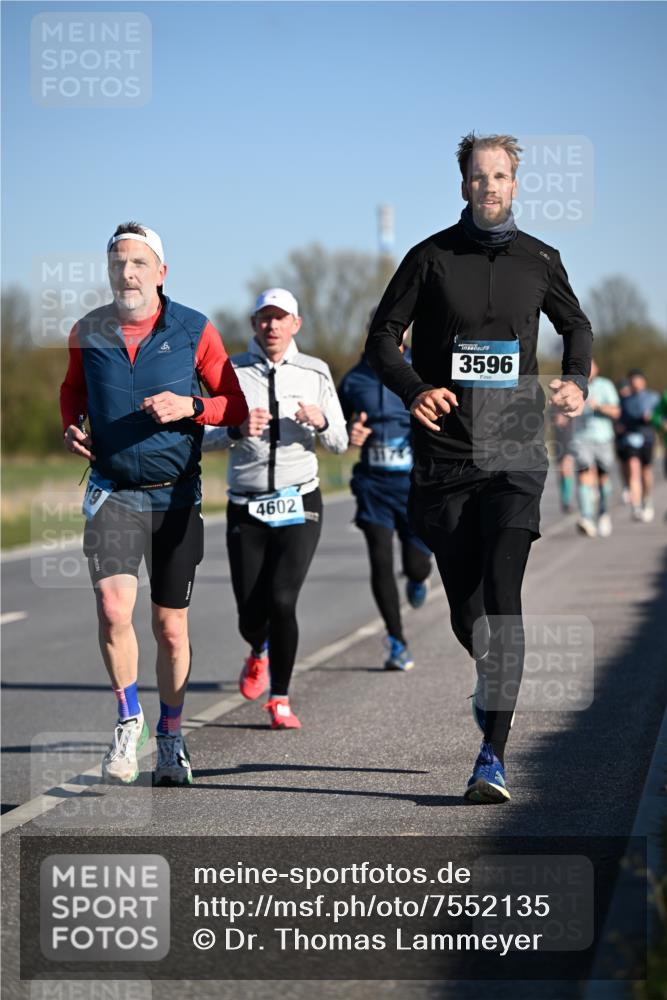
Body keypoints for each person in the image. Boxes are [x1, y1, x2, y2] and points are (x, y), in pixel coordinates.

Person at [366, 133, 592, 804]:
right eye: (477, 176)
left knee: (503, 600)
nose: (489, 186)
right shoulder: (429, 258)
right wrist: (413, 388)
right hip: (443, 453)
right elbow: (381, 338)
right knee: (469, 616)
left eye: (500, 176)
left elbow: (573, 325)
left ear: (514, 185)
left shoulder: (539, 259)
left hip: (516, 442)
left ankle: (491, 754)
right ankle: (493, 685)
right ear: (462, 185)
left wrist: (574, 379)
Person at [60, 222, 248, 786]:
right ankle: (128, 721)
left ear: (161, 272)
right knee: (113, 610)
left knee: (169, 628)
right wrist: (70, 424)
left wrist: (191, 405)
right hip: (112, 491)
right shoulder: (88, 331)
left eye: (139, 263)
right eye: (118, 263)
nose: (127, 273)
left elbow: (233, 405)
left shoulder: (195, 329)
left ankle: (171, 734)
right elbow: (73, 389)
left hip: (175, 498)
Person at [203, 288, 348, 728]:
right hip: (246, 505)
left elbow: (340, 441)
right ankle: (258, 649)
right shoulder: (230, 370)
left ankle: (280, 699)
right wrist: (235, 429)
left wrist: (320, 421)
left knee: (283, 600)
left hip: (299, 499)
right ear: (253, 324)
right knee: (250, 610)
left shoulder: (315, 371)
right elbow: (202, 437)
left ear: (295, 324)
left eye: (280, 318)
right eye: (264, 318)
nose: (272, 326)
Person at [338, 318, 432, 671]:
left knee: (416, 564)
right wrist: (350, 433)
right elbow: (336, 428)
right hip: (373, 485)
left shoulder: (420, 373)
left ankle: (420, 576)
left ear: (404, 334)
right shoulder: (353, 379)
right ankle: (396, 641)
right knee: (379, 559)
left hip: (413, 485)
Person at [570, 359, 620, 538]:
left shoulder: (605, 385)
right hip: (581, 438)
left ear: (596, 369)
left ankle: (604, 513)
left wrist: (598, 406)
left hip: (602, 438)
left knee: (603, 477)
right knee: (583, 474)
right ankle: (587, 518)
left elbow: (616, 411)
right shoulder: (574, 386)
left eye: (591, 367)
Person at [617, 369, 660, 522]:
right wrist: (619, 425)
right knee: (633, 469)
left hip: (648, 438)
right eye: (632, 383)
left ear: (643, 382)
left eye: (637, 382)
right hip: (630, 439)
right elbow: (619, 417)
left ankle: (647, 500)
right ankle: (636, 507)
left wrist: (652, 417)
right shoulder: (624, 400)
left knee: (646, 472)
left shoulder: (654, 397)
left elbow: (660, 417)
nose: (635, 385)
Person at [549, 405, 575, 514]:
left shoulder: (571, 401)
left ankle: (567, 500)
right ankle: (565, 499)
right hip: (558, 441)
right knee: (561, 473)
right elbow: (553, 421)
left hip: (570, 439)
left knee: (567, 470)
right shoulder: (553, 405)